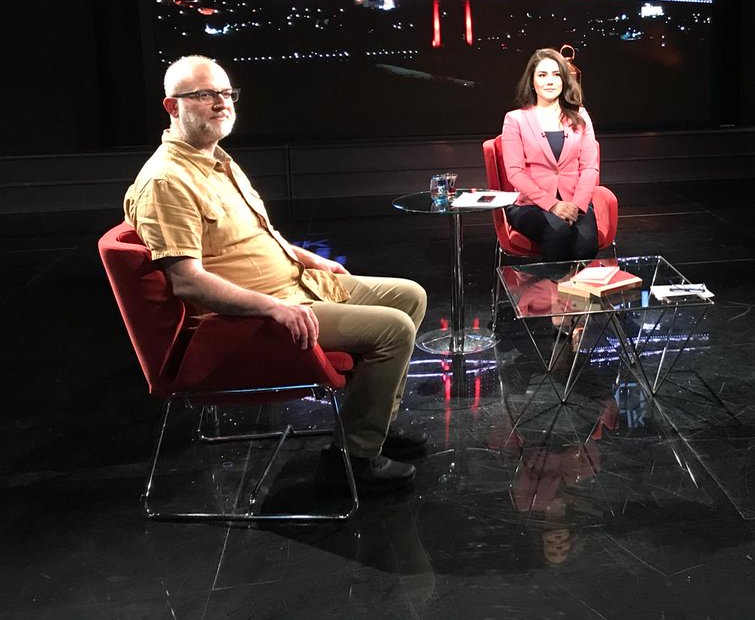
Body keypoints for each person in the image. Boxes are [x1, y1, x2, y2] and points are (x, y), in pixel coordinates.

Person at [123, 55, 428, 491]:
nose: (221, 103)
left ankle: (371, 423)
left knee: (410, 295)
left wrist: (310, 259)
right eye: (205, 94)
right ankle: (355, 458)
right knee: (393, 330)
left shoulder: (217, 161)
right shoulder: (166, 181)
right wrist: (274, 308)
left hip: (294, 284)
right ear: (173, 106)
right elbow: (187, 280)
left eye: (226, 93)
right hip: (250, 318)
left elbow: (259, 236)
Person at [501, 48, 600, 262]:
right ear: (532, 81)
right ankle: (552, 285)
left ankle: (575, 285)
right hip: (531, 205)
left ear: (564, 80)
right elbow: (515, 172)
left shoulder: (580, 116)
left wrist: (577, 205)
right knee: (557, 231)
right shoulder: (515, 119)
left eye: (556, 75)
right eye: (542, 75)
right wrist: (553, 205)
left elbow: (590, 167)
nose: (550, 81)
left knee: (586, 243)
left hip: (574, 202)